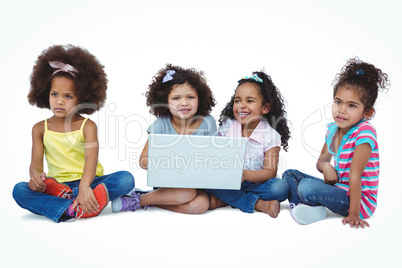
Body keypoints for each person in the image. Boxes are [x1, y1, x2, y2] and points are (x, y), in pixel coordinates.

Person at [12, 44, 134, 222]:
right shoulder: (39, 129)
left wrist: (85, 186)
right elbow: (36, 164)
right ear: (46, 94)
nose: (60, 101)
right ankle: (72, 208)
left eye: (68, 96)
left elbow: (91, 159)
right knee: (19, 190)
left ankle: (80, 199)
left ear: (81, 99)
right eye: (54, 94)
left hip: (91, 182)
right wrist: (35, 177)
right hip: (57, 186)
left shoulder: (87, 126)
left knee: (126, 179)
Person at [283, 57, 389, 228]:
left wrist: (354, 214)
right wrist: (326, 167)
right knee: (290, 174)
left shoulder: (364, 133)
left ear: (367, 112)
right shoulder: (333, 130)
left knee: (307, 188)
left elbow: (356, 175)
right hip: (340, 188)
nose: (341, 109)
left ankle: (310, 205)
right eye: (338, 102)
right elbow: (321, 162)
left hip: (359, 201)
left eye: (352, 105)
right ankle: (302, 208)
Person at [111, 64, 217, 214]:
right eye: (176, 98)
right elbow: (143, 161)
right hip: (168, 184)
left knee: (199, 206)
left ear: (200, 98)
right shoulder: (161, 125)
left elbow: (215, 156)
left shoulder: (208, 122)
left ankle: (146, 199)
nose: (184, 102)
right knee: (187, 193)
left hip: (197, 183)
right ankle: (136, 200)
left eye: (191, 97)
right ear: (165, 101)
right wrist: (169, 163)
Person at [206, 71, 291, 218]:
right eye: (237, 100)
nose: (241, 106)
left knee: (280, 188)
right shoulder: (228, 127)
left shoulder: (270, 135)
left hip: (257, 184)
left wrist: (244, 174)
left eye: (249, 101)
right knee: (207, 182)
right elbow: (214, 155)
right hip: (228, 182)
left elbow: (270, 171)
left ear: (265, 108)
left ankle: (228, 199)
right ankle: (257, 204)